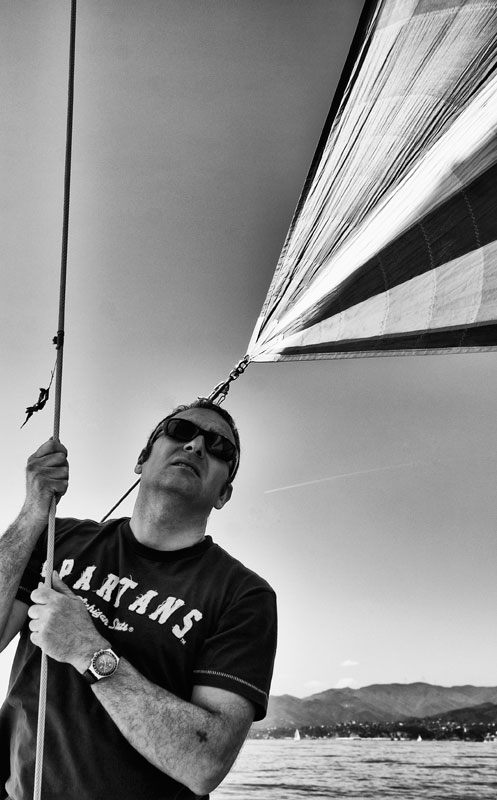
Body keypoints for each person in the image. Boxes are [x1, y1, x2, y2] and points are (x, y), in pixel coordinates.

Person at [0, 399, 277, 800]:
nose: (197, 445)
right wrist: (31, 513)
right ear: (141, 460)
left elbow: (205, 763)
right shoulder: (58, 540)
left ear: (224, 494)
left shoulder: (243, 595)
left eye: (220, 448)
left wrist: (88, 651)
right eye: (181, 431)